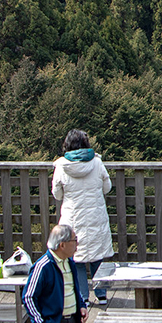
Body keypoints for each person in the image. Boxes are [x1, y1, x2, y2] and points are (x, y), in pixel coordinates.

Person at [52, 129, 113, 304]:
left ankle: (83, 297)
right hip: (95, 216)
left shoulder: (61, 166)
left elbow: (57, 194)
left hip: (73, 218)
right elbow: (106, 187)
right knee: (97, 255)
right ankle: (101, 294)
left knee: (76, 259)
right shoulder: (97, 162)